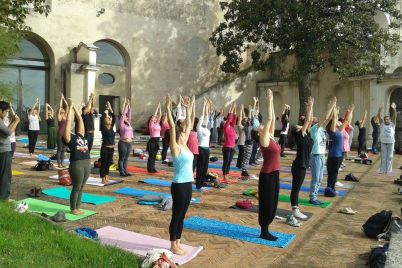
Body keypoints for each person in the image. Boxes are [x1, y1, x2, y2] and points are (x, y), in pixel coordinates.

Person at [165, 95, 194, 255]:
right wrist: (169, 109)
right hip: (179, 185)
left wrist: (188, 109)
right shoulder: (176, 148)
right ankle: (172, 244)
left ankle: (178, 241)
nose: (185, 131)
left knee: (183, 214)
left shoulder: (186, 146)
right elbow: (171, 124)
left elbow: (189, 125)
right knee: (176, 214)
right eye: (182, 131)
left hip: (188, 183)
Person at [257, 89, 280, 241]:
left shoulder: (270, 137)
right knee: (266, 203)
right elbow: (270, 119)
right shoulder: (264, 140)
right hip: (267, 175)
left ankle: (267, 228)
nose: (260, 126)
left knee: (273, 202)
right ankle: (264, 230)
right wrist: (269, 100)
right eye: (258, 127)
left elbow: (272, 117)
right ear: (258, 133)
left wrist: (272, 102)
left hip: (275, 173)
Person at [63, 99, 90, 215]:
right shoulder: (69, 138)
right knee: (77, 186)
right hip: (77, 164)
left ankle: (77, 207)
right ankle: (73, 208)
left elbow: (80, 120)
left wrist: (75, 108)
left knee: (82, 187)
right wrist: (70, 107)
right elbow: (68, 122)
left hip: (87, 162)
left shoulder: (80, 135)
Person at [309, 97, 337, 205]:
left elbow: (328, 118)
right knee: (316, 178)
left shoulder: (322, 129)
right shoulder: (314, 129)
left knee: (320, 178)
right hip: (315, 156)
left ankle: (314, 196)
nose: (318, 119)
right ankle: (312, 197)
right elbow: (325, 117)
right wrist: (331, 105)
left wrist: (333, 107)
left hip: (321, 156)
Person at [291, 97, 313, 219]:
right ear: (298, 130)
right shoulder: (300, 135)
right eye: (299, 126)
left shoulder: (306, 135)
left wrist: (311, 107)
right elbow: (308, 120)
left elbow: (309, 121)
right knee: (296, 188)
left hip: (302, 164)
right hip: (299, 165)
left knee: (296, 187)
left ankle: (296, 208)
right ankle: (295, 209)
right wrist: (309, 106)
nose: (301, 126)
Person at [326, 104, 353, 195]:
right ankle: (330, 189)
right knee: (332, 174)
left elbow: (347, 121)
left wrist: (350, 111)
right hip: (333, 155)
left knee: (334, 173)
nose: (339, 122)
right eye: (337, 122)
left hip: (338, 155)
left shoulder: (340, 130)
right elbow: (333, 120)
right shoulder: (333, 130)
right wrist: (334, 111)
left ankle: (331, 188)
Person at [0, 101, 20, 200]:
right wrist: (16, 121)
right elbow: (8, 132)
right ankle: (4, 198)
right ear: (0, 111)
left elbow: (5, 132)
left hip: (3, 150)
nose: (6, 114)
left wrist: (12, 122)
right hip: (4, 151)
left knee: (3, 174)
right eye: (6, 112)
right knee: (5, 175)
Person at [196, 99, 211, 189]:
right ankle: (198, 184)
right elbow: (202, 116)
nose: (205, 120)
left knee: (205, 167)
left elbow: (207, 116)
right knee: (200, 167)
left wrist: (207, 106)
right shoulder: (199, 128)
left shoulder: (207, 129)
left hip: (207, 149)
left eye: (206, 120)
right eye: (203, 120)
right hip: (201, 148)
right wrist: (204, 105)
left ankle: (202, 183)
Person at [100, 102, 116, 184]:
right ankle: (103, 176)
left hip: (111, 149)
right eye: (108, 118)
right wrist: (105, 111)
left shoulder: (112, 127)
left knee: (108, 163)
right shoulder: (103, 128)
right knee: (104, 163)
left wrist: (110, 108)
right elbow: (103, 118)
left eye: (110, 118)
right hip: (105, 149)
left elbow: (114, 117)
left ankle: (107, 175)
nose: (109, 119)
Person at [379, 103, 397, 174]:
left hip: (391, 142)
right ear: (384, 120)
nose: (387, 120)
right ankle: (383, 170)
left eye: (388, 119)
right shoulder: (382, 124)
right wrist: (379, 111)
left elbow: (394, 117)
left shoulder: (392, 125)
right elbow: (379, 117)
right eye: (385, 119)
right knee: (383, 156)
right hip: (383, 142)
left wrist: (394, 109)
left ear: (390, 120)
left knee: (390, 157)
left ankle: (388, 170)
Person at [118, 98, 133, 177]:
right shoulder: (121, 124)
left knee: (126, 158)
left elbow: (129, 114)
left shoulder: (129, 124)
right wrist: (125, 105)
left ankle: (125, 171)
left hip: (129, 143)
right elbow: (123, 115)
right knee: (122, 158)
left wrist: (129, 106)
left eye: (127, 117)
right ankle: (121, 172)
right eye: (125, 117)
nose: (127, 117)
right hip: (123, 143)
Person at [222, 103, 237, 183]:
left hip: (232, 148)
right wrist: (231, 109)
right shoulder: (226, 127)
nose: (230, 120)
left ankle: (227, 174)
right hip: (227, 148)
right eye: (229, 120)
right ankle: (224, 176)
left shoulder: (232, 127)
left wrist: (234, 109)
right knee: (226, 162)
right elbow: (230, 118)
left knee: (229, 162)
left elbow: (234, 118)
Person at [238, 104, 253, 177]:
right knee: (246, 157)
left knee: (247, 157)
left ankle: (244, 169)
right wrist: (249, 110)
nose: (248, 119)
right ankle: (243, 170)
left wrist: (250, 110)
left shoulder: (248, 126)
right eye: (247, 120)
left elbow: (249, 118)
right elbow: (248, 118)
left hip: (249, 143)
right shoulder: (246, 127)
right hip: (248, 143)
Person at [147, 102, 162, 173]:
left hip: (157, 141)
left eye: (156, 118)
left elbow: (160, 115)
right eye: (154, 118)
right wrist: (157, 107)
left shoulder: (157, 123)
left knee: (154, 155)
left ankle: (153, 167)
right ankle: (149, 168)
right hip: (153, 140)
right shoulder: (151, 124)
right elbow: (154, 116)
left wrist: (160, 108)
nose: (156, 118)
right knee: (151, 155)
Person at [57, 95, 68, 168]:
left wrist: (64, 99)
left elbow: (67, 106)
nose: (63, 110)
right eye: (61, 109)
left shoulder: (65, 116)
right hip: (60, 134)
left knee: (64, 149)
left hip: (65, 134)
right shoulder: (59, 117)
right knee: (60, 149)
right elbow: (60, 107)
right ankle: (59, 163)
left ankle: (62, 162)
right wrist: (61, 100)